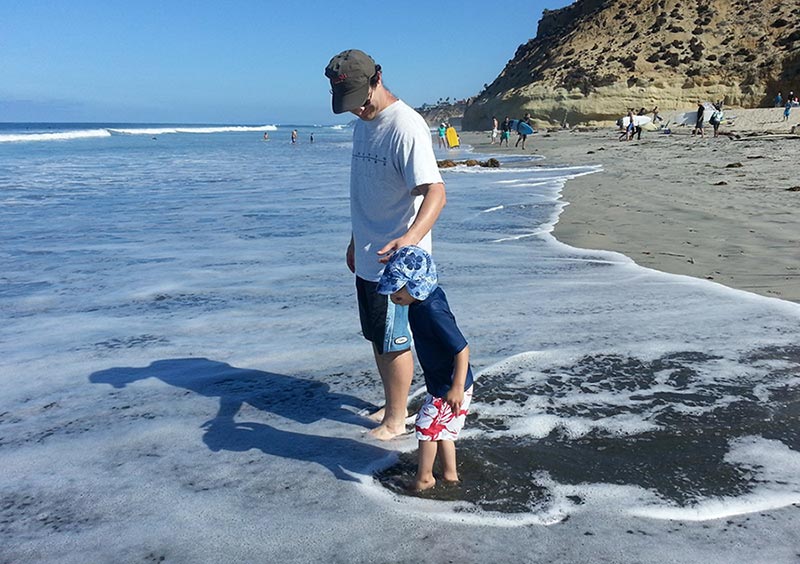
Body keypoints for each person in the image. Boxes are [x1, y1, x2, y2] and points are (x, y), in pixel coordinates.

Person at [325, 49, 447, 440]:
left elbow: (436, 193)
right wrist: (354, 240)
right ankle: (394, 403)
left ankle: (397, 419)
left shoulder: (406, 126)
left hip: (398, 262)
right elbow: (366, 190)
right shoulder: (363, 123)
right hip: (367, 250)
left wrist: (408, 242)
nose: (356, 110)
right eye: (349, 104)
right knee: (378, 335)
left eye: (360, 100)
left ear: (378, 79)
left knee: (395, 340)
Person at [376, 246, 473, 491]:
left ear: (414, 286)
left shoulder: (432, 311)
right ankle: (451, 476)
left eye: (396, 292)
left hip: (450, 385)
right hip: (443, 381)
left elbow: (461, 349)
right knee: (444, 432)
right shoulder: (426, 298)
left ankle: (425, 478)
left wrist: (457, 387)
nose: (391, 296)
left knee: (426, 427)